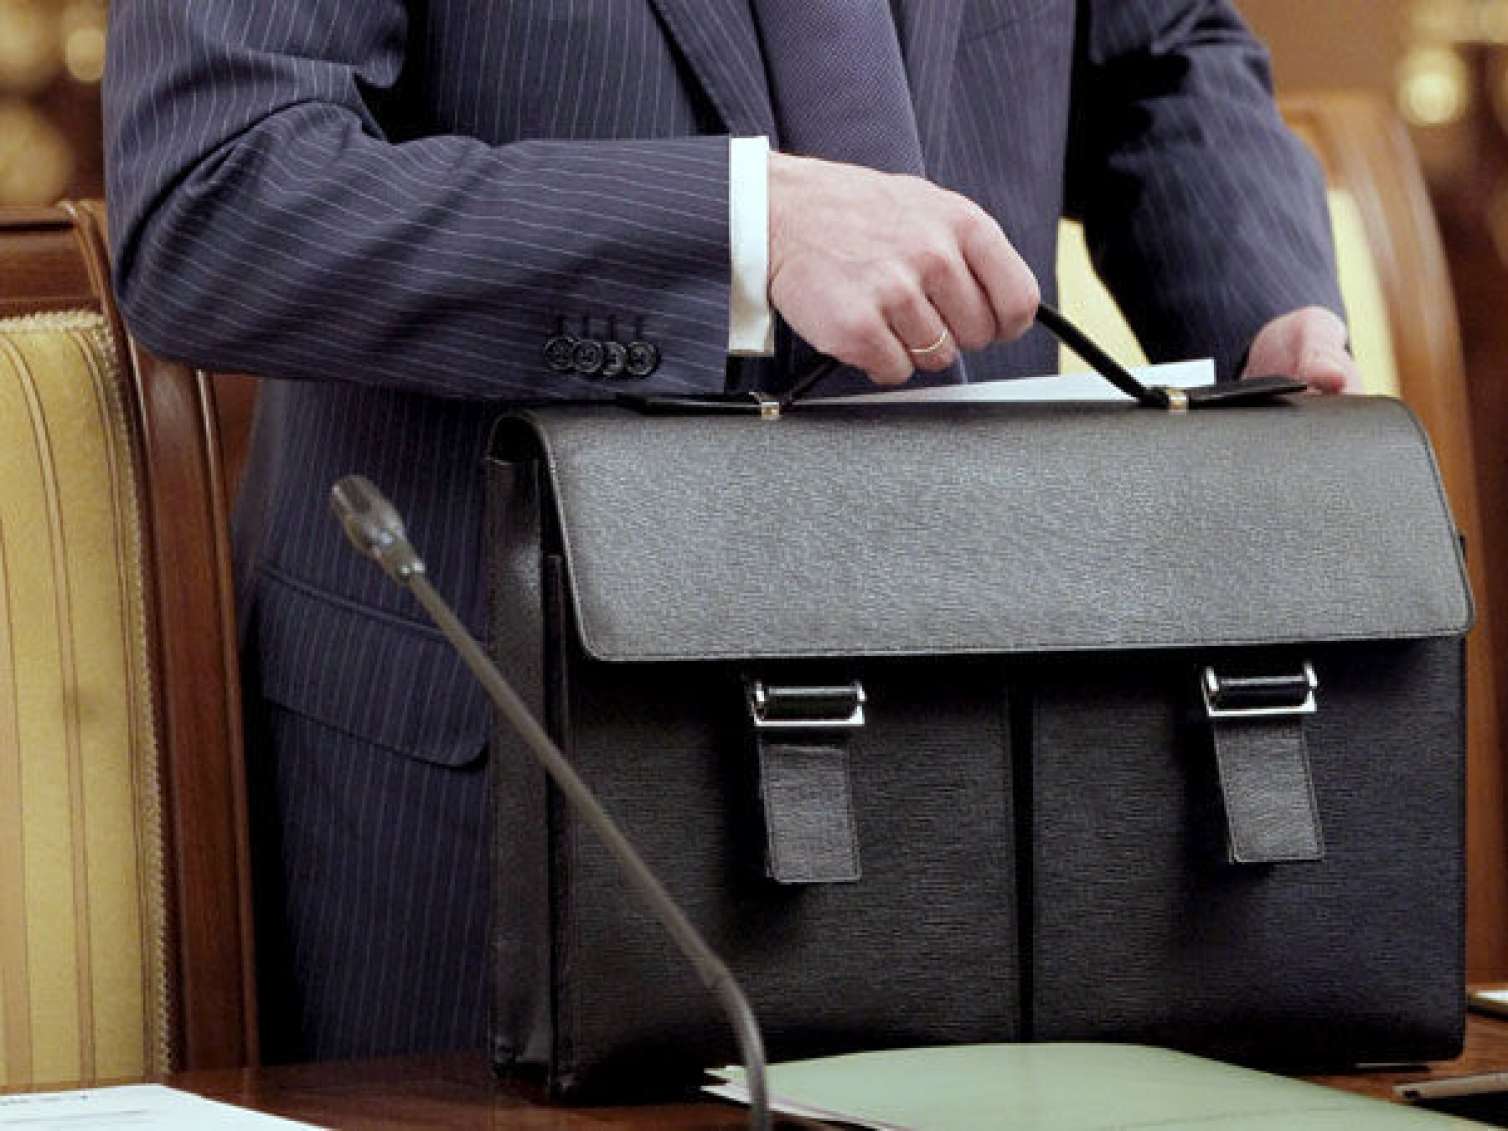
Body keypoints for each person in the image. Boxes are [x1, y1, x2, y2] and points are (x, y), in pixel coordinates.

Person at [103, 0, 1358, 1062]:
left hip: (988, 722)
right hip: (508, 770)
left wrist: (1259, 306)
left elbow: (1157, 51)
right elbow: (217, 198)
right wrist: (737, 230)